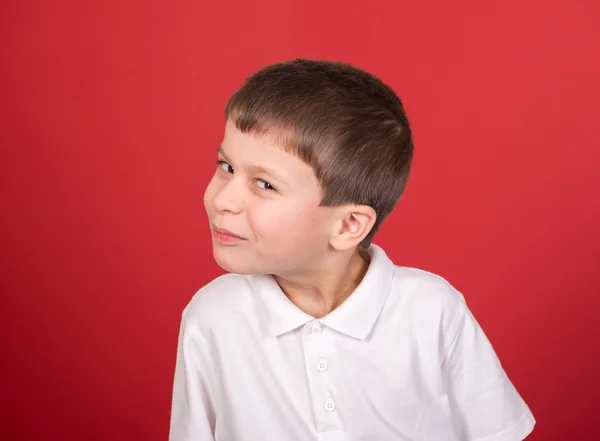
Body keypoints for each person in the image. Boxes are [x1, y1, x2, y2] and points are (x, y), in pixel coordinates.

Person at [168, 59, 535, 441]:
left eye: (264, 184)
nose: (223, 199)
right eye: (226, 166)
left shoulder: (431, 310)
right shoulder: (213, 318)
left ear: (347, 226)